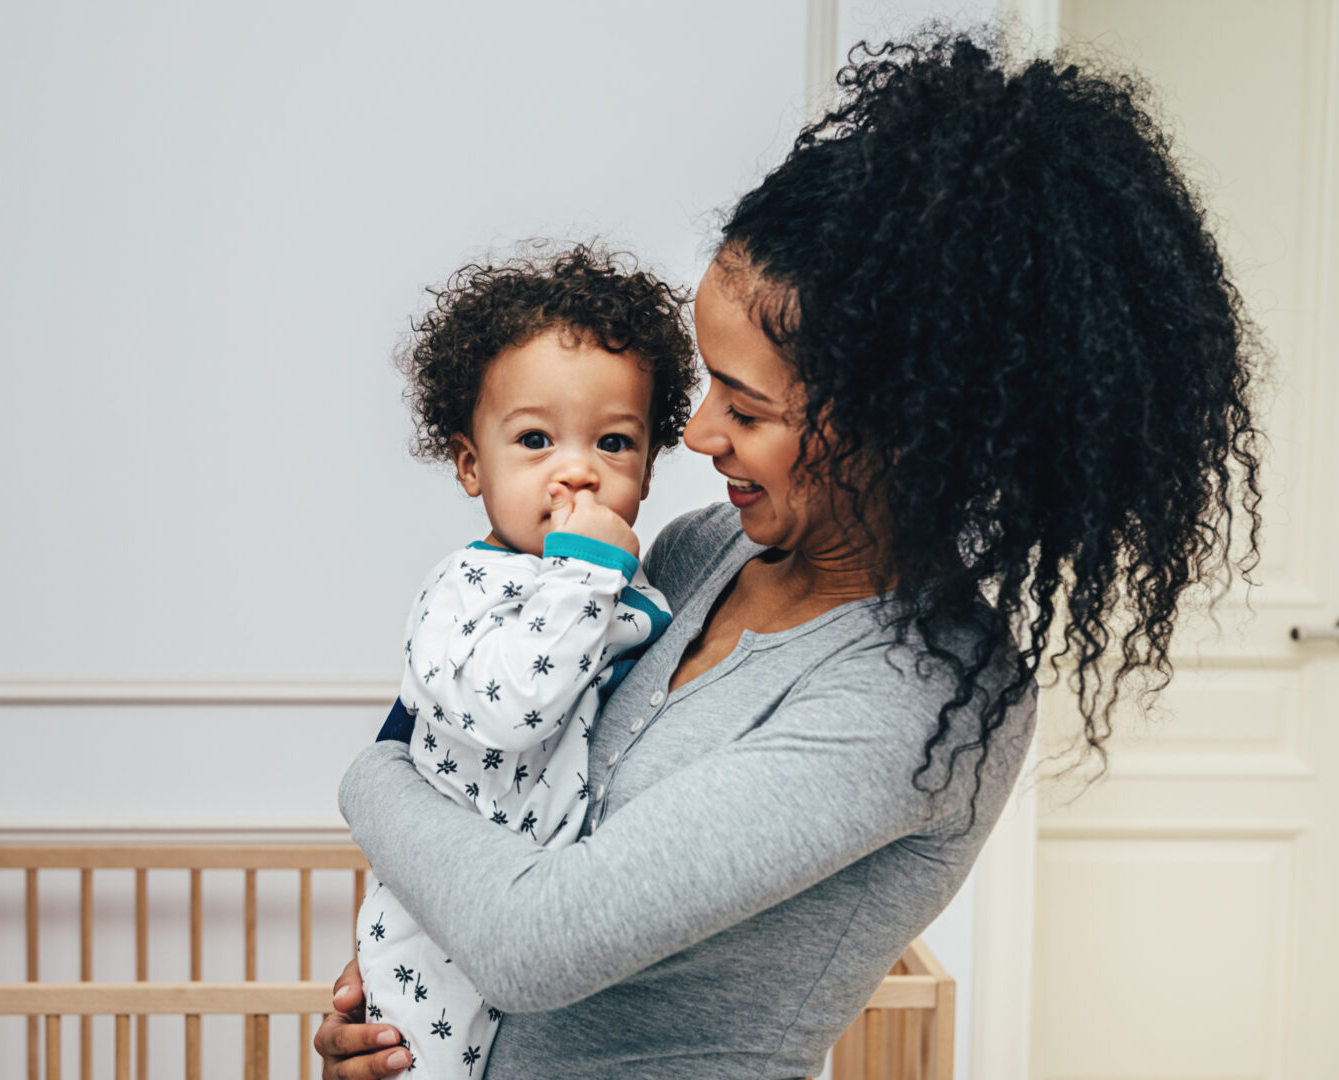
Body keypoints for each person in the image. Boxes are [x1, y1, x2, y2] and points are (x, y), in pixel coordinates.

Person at [321, 28, 1264, 1079]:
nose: (699, 434)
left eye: (748, 405)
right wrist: (405, 1020)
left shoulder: (924, 696)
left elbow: (534, 942)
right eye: (711, 383)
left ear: (903, 426)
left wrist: (373, 772)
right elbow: (508, 805)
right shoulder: (695, 552)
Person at [355, 244, 698, 1079]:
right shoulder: (463, 589)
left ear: (649, 470)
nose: (576, 469)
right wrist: (585, 573)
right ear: (472, 464)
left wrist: (600, 581)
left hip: (544, 919)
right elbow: (514, 713)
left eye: (614, 442)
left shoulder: (631, 591)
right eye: (536, 439)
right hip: (440, 916)